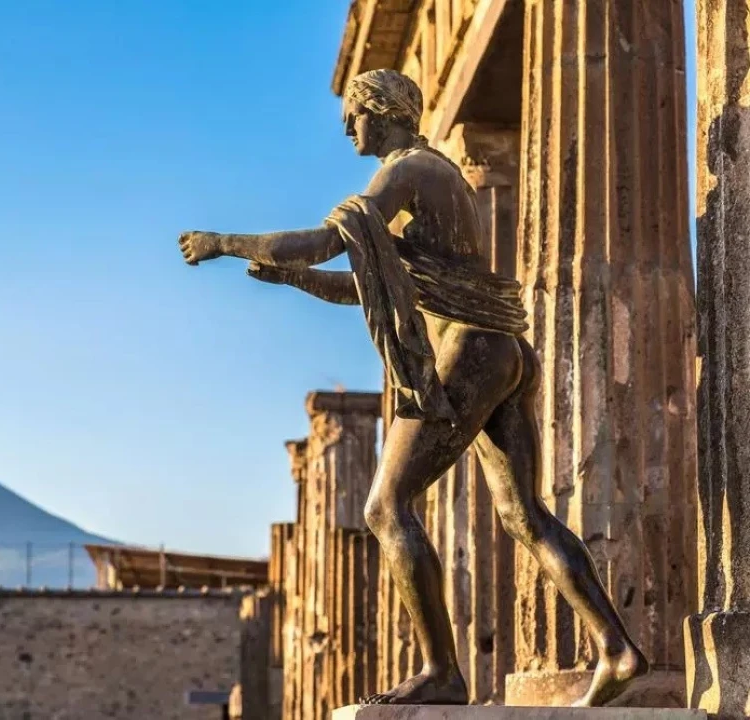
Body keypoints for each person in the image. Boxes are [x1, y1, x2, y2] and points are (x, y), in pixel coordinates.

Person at [178, 68, 646, 707]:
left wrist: (224, 242)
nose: (347, 128)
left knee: (384, 507)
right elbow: (370, 287)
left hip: (469, 352)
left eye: (353, 115)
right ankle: (616, 649)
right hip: (500, 351)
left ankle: (442, 672)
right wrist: (292, 280)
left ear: (382, 111)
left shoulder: (410, 171)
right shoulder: (438, 177)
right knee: (523, 515)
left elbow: (323, 242)